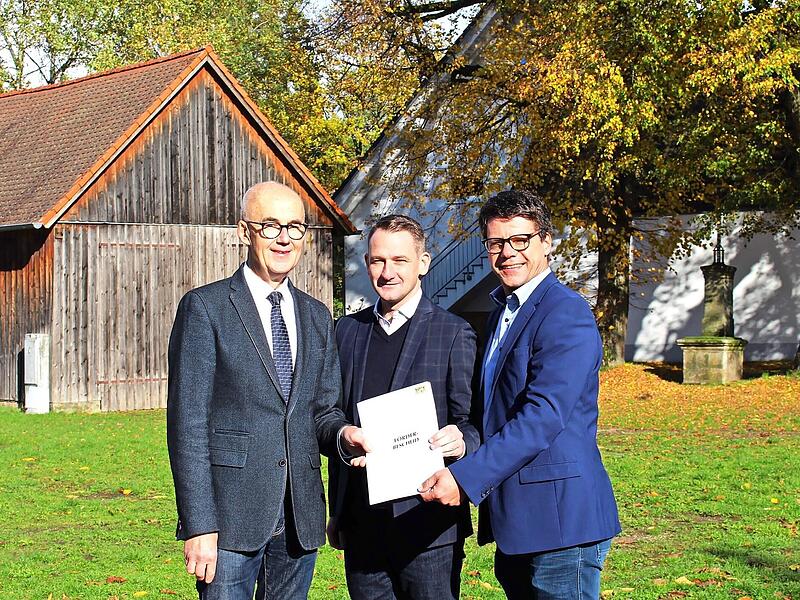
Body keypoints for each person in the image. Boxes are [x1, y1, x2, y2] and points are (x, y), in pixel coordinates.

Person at [166, 181, 367, 600]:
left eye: (295, 227)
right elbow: (188, 425)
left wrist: (344, 436)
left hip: (299, 516)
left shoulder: (316, 315)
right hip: (229, 520)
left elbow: (323, 412)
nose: (283, 238)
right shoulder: (206, 308)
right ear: (245, 231)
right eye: (270, 225)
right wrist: (199, 524)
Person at [420, 190, 621, 599]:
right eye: (496, 243)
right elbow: (494, 407)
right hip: (519, 521)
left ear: (546, 241)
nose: (507, 252)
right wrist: (462, 437)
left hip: (561, 526)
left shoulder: (565, 313)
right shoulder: (502, 312)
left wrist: (465, 478)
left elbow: (543, 416)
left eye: (520, 240)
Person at [328, 214, 480, 600]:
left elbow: (472, 422)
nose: (387, 272)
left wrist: (461, 441)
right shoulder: (347, 331)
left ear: (423, 263)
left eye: (400, 260)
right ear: (367, 263)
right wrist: (344, 441)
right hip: (362, 523)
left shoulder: (453, 333)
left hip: (427, 525)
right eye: (378, 260)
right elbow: (331, 414)